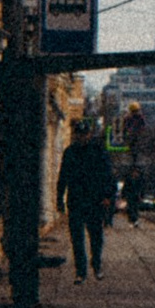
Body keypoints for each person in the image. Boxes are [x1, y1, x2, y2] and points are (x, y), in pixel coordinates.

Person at [57, 116, 114, 278]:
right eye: (78, 134)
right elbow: (63, 176)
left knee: (96, 236)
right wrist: (59, 198)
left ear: (89, 134)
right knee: (77, 238)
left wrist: (108, 196)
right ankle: (81, 271)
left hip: (95, 200)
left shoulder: (98, 150)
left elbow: (108, 175)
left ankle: (96, 265)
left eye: (84, 134)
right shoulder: (70, 152)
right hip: (75, 200)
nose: (81, 137)